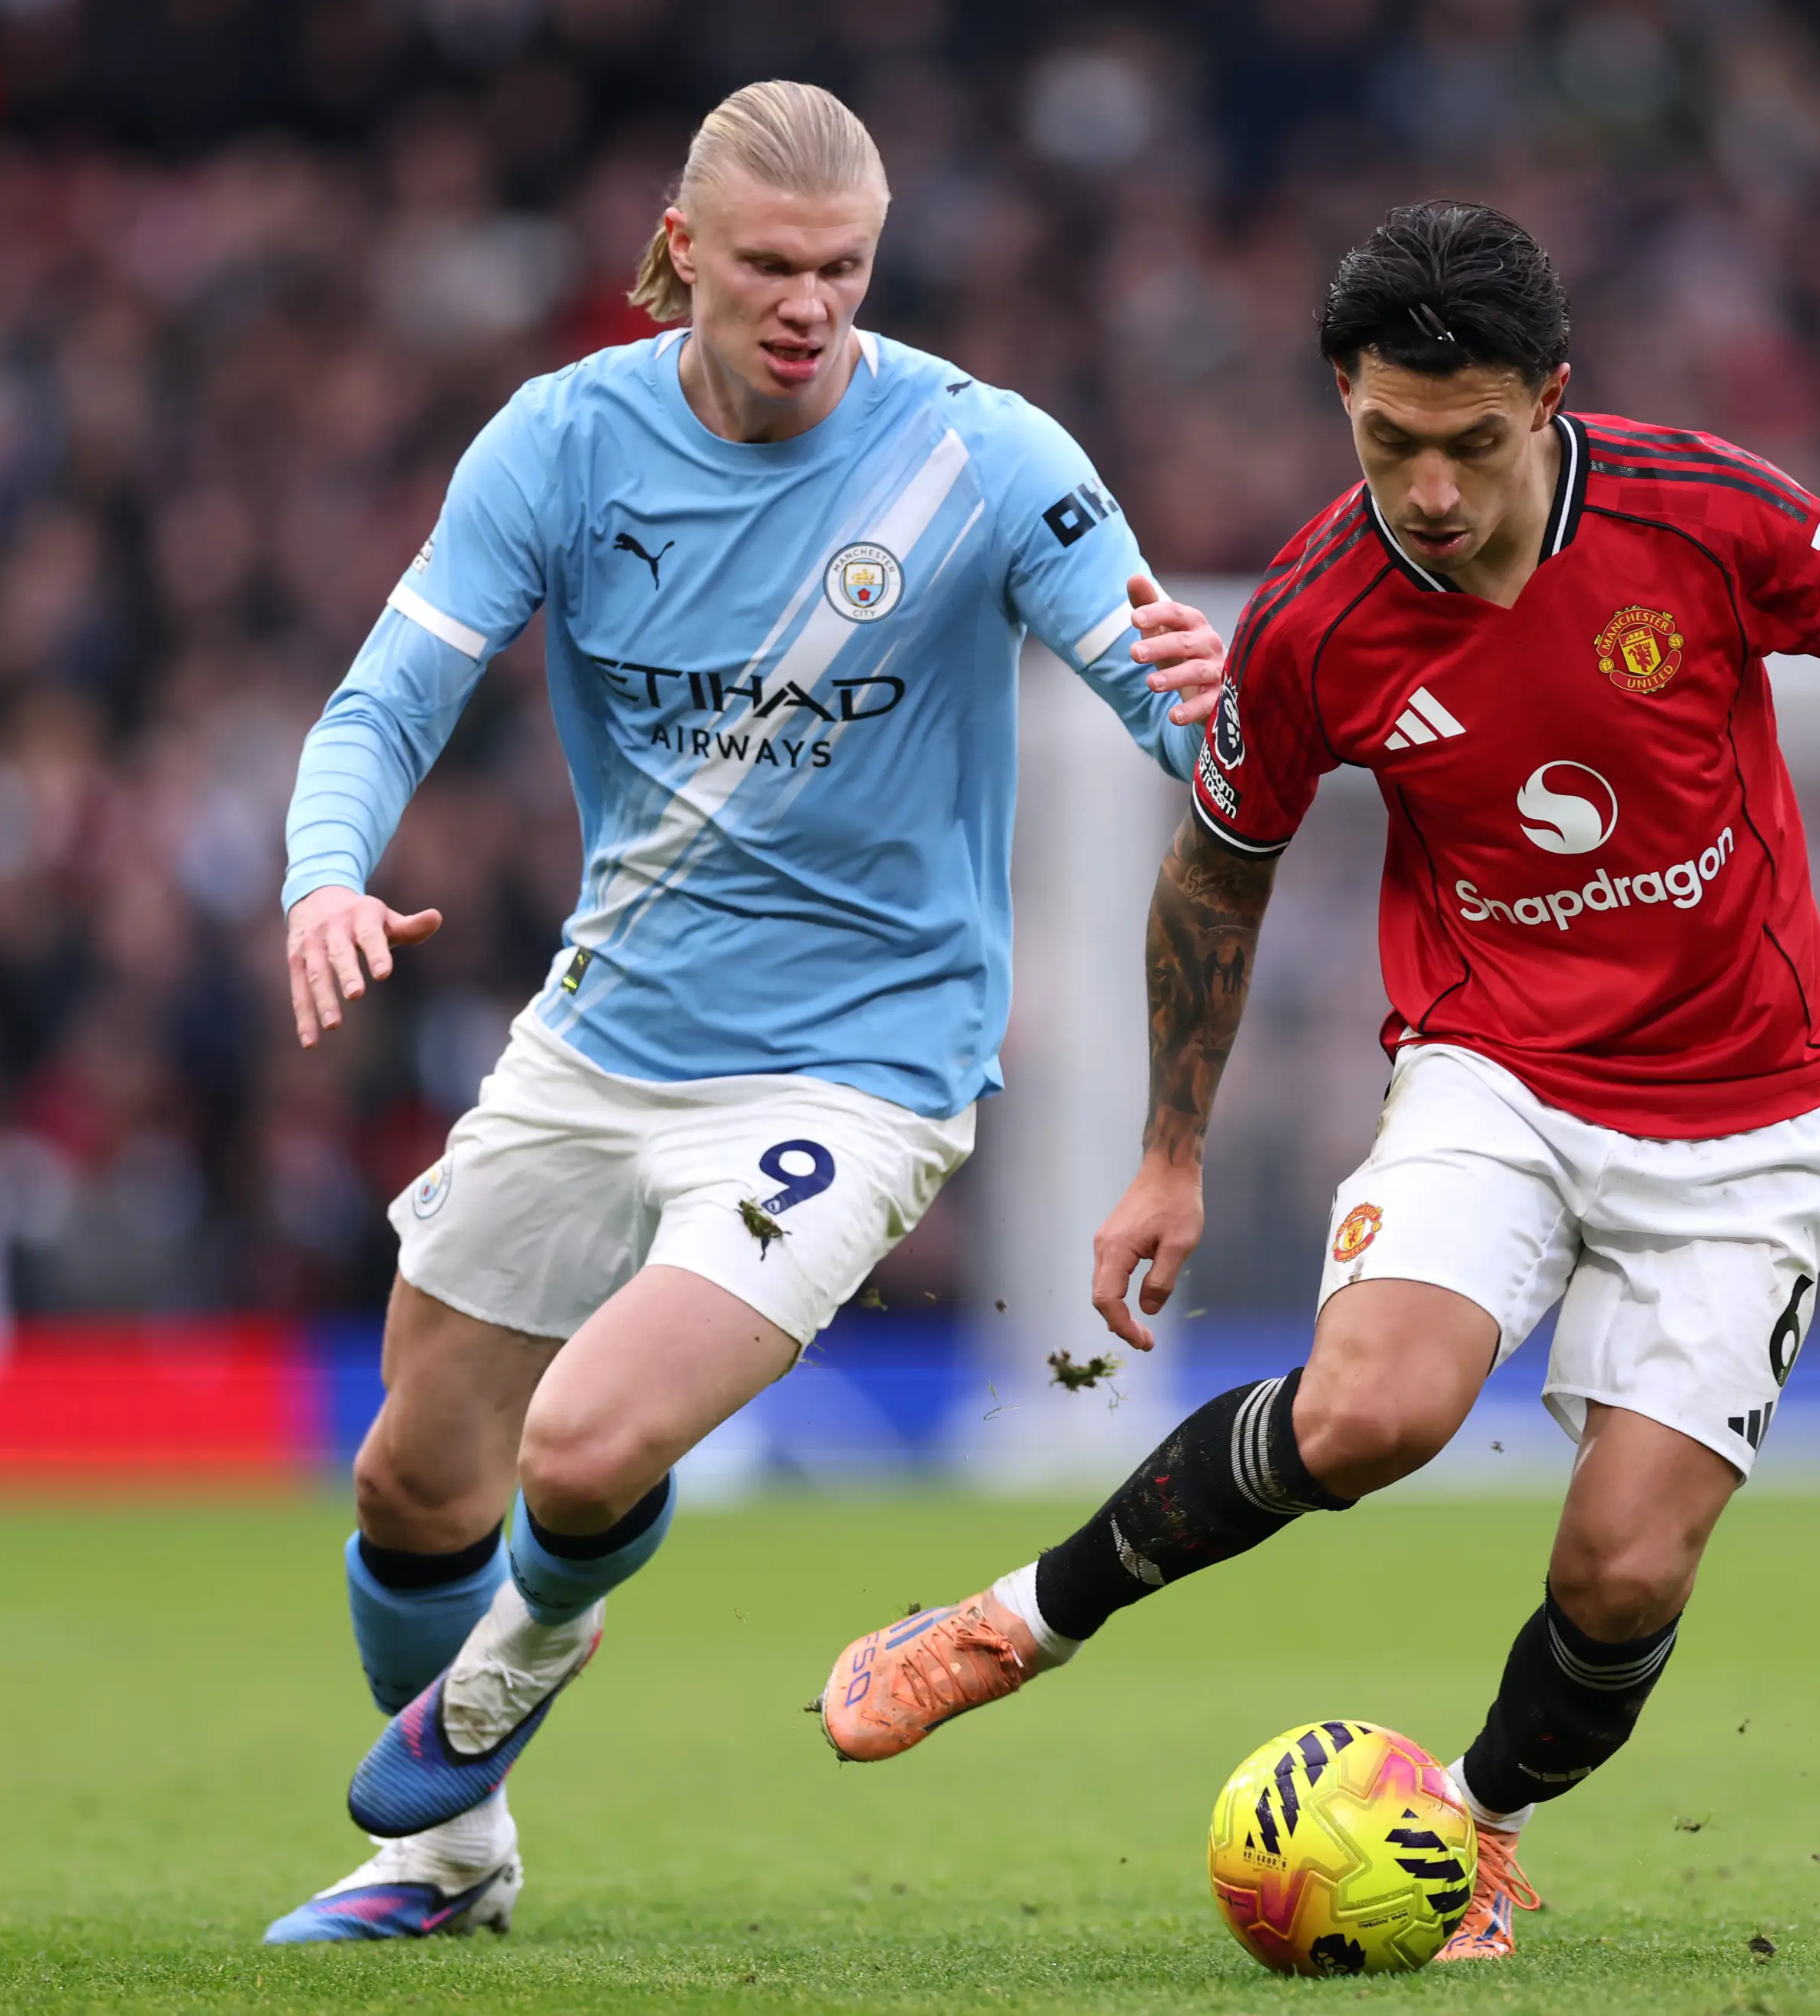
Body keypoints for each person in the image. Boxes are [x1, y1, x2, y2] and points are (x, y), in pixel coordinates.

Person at [814, 201, 1820, 1962]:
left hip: (1752, 1116)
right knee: (1368, 1412)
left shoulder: (1701, 511)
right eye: (1391, 442)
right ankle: (1011, 1624)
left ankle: (1468, 1826)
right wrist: (1170, 1155)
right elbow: (1216, 868)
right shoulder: (1319, 614)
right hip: (1496, 1075)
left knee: (1624, 1572)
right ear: (1343, 399)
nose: (1435, 491)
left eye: (1474, 444)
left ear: (1553, 395)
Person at [262, 81, 1225, 1944]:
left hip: (866, 1062)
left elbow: (1183, 722)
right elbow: (383, 702)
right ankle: (454, 1866)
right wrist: (323, 875)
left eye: (846, 271)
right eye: (774, 266)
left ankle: (494, 1685)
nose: (811, 306)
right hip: (605, 1028)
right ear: (684, 250)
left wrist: (1215, 695)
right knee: (410, 1472)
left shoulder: (984, 454)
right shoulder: (559, 443)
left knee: (590, 1441)